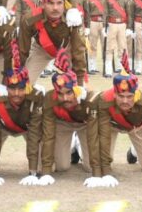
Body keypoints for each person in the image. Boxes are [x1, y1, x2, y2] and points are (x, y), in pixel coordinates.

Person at [91, 52, 142, 187]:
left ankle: (134, 151)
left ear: (136, 94)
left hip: (135, 127)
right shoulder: (104, 100)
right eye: (121, 96)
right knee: (94, 164)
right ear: (114, 94)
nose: (125, 101)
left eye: (129, 96)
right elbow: (103, 135)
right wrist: (106, 172)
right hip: (112, 126)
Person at [0, 39, 45, 185]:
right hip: (2, 128)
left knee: (46, 168)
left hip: (27, 129)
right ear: (6, 87)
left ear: (27, 87)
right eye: (12, 89)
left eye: (21, 89)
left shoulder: (36, 97)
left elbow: (34, 133)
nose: (17, 93)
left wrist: (32, 172)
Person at [40, 49, 100, 184]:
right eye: (60, 94)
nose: (65, 98)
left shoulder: (90, 99)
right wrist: (46, 172)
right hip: (63, 124)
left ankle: (79, 145)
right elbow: (48, 136)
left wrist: (97, 174)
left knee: (90, 167)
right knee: (62, 167)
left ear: (76, 89)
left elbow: (94, 135)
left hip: (85, 125)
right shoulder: (49, 99)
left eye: (69, 93)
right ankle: (71, 145)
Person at [19, 0, 87, 83]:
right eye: (50, 3)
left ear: (64, 3)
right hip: (41, 49)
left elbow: (78, 50)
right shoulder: (29, 19)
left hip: (67, 49)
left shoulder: (73, 19)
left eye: (59, 3)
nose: (55, 8)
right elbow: (22, 50)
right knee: (26, 83)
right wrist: (18, 73)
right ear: (42, 4)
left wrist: (79, 81)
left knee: (71, 85)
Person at [105, 0, 130, 76]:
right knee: (110, 47)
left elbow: (128, 13)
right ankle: (108, 70)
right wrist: (105, 27)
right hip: (112, 24)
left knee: (122, 46)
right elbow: (105, 13)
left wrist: (128, 27)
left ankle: (121, 67)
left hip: (122, 25)